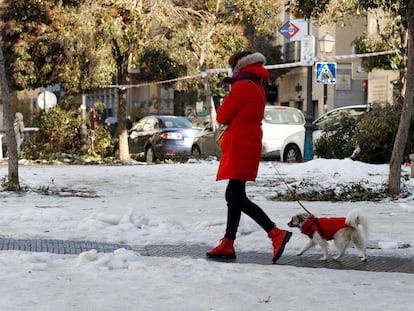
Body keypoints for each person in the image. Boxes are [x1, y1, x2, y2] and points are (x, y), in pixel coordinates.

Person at [206, 51, 292, 263]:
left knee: (237, 197)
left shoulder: (242, 86)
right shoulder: (256, 85)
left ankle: (275, 233)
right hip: (247, 143)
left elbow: (222, 116)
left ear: (238, 67)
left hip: (240, 145)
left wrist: (230, 93)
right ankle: (227, 243)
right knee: (233, 196)